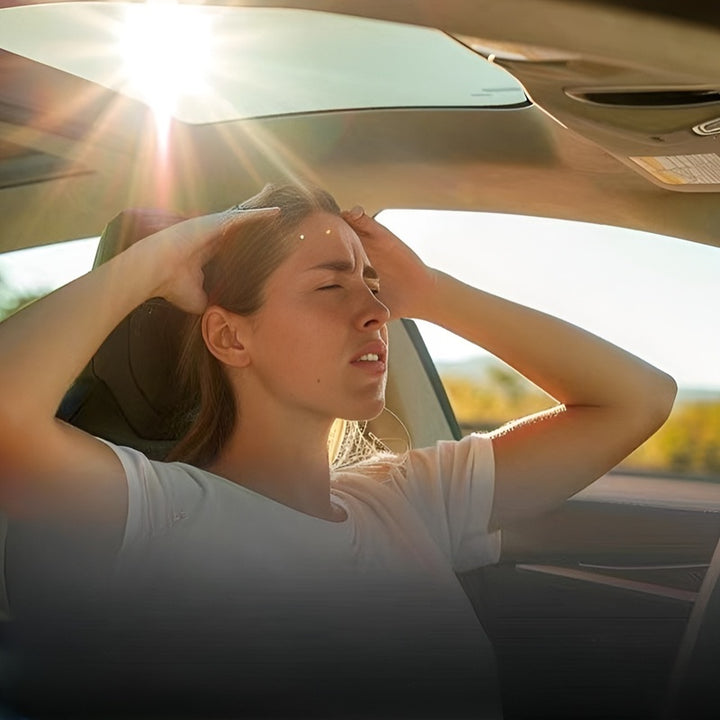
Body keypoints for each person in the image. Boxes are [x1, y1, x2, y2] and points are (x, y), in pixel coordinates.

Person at [0, 184, 676, 718]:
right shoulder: (155, 514)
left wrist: (433, 294)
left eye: (373, 284)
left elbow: (638, 399)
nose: (376, 310)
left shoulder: (409, 499)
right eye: (330, 286)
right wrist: (151, 263)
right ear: (231, 338)